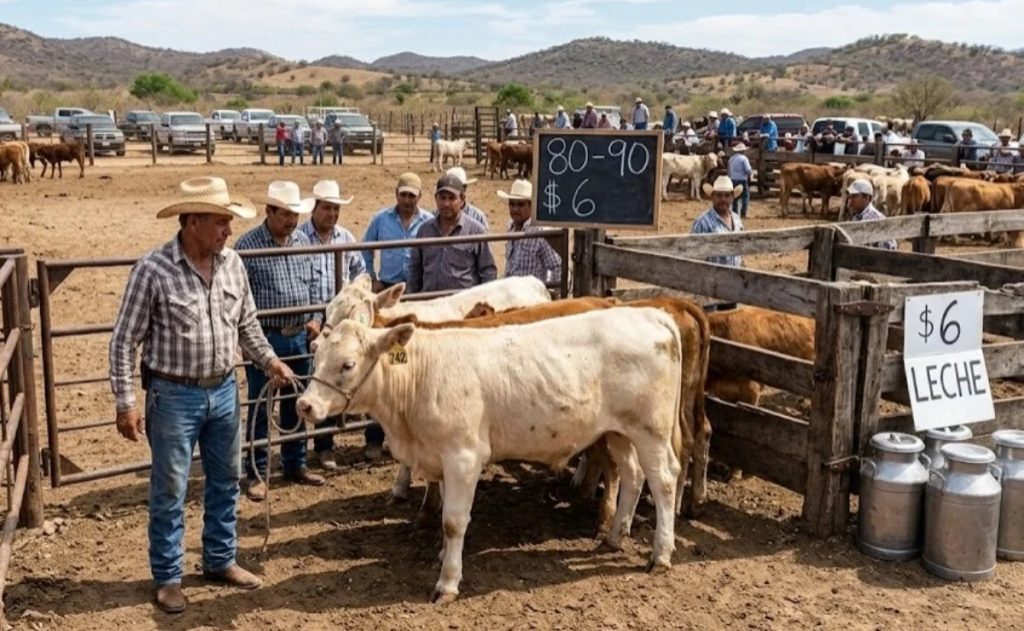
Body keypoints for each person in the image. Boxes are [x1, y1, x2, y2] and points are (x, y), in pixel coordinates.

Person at [109, 176, 296, 613]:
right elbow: (123, 341)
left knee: (226, 480)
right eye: (220, 222)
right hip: (173, 394)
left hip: (225, 389)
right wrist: (126, 403)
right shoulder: (154, 269)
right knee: (171, 487)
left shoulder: (232, 264)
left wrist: (269, 361)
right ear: (192, 221)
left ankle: (219, 559)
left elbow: (247, 324)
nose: (228, 231)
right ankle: (169, 577)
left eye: (229, 222)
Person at [234, 181, 325, 501]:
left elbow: (315, 284)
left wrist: (316, 317)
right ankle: (257, 471)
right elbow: (238, 300)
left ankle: (295, 463)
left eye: (294, 214)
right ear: (268, 211)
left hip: (300, 334)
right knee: (261, 405)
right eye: (285, 214)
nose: (291, 221)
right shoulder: (247, 246)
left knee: (297, 401)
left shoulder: (301, 240)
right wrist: (248, 342)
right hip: (266, 339)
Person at [359, 173, 432, 458]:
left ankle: (404, 434)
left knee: (407, 366)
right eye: (403, 194)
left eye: (412, 195)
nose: (406, 200)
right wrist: (372, 278)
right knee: (380, 365)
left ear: (419, 197)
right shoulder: (381, 219)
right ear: (396, 194)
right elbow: (365, 250)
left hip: (415, 297)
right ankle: (374, 437)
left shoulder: (428, 222)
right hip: (388, 298)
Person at [298, 180, 365, 470]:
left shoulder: (346, 237)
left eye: (336, 209)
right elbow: (295, 284)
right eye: (327, 208)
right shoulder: (300, 238)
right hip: (311, 325)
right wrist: (307, 319)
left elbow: (360, 274)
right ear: (315, 208)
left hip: (339, 325)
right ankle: (321, 447)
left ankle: (330, 442)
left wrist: (349, 313)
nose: (332, 214)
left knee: (336, 379)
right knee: (314, 383)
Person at [407, 173, 496, 293]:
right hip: (430, 303)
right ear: (436, 198)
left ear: (462, 199)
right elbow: (415, 270)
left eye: (452, 198)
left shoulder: (476, 231)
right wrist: (412, 298)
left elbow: (488, 271)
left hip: (463, 305)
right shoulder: (424, 230)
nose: (446, 204)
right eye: (442, 198)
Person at [499, 179, 561, 284]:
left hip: (532, 296)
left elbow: (557, 266)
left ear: (531, 206)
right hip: (511, 292)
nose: (515, 209)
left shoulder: (540, 232)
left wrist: (551, 292)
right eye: (512, 204)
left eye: (520, 205)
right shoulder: (510, 226)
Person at [692, 176, 744, 267]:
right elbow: (694, 257)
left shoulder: (737, 220)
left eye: (727, 195)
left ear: (732, 198)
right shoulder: (703, 222)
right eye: (719, 195)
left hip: (735, 278)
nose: (723, 199)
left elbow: (741, 253)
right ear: (713, 197)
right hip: (712, 278)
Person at [846, 179, 897, 250]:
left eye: (854, 196)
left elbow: (887, 249)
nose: (850, 200)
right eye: (850, 196)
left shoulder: (875, 219)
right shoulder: (856, 217)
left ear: (867, 198)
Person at [727, 142, 752, 218]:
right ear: (743, 151)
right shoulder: (744, 158)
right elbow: (748, 170)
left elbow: (728, 170)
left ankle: (735, 213)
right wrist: (750, 174)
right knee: (745, 197)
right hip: (742, 179)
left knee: (734, 197)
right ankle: (743, 213)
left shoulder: (731, 158)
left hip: (733, 179)